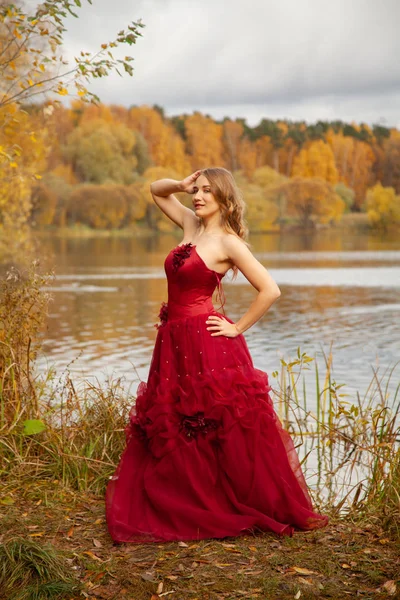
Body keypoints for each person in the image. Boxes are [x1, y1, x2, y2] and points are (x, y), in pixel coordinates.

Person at [106, 167, 328, 543]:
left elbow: (270, 290)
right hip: (174, 340)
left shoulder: (229, 243)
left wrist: (237, 327)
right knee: (176, 418)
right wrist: (180, 184)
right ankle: (187, 496)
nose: (198, 197)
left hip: (208, 342)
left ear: (224, 198)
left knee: (211, 421)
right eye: (197, 190)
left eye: (208, 191)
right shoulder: (190, 225)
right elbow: (156, 191)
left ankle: (222, 502)